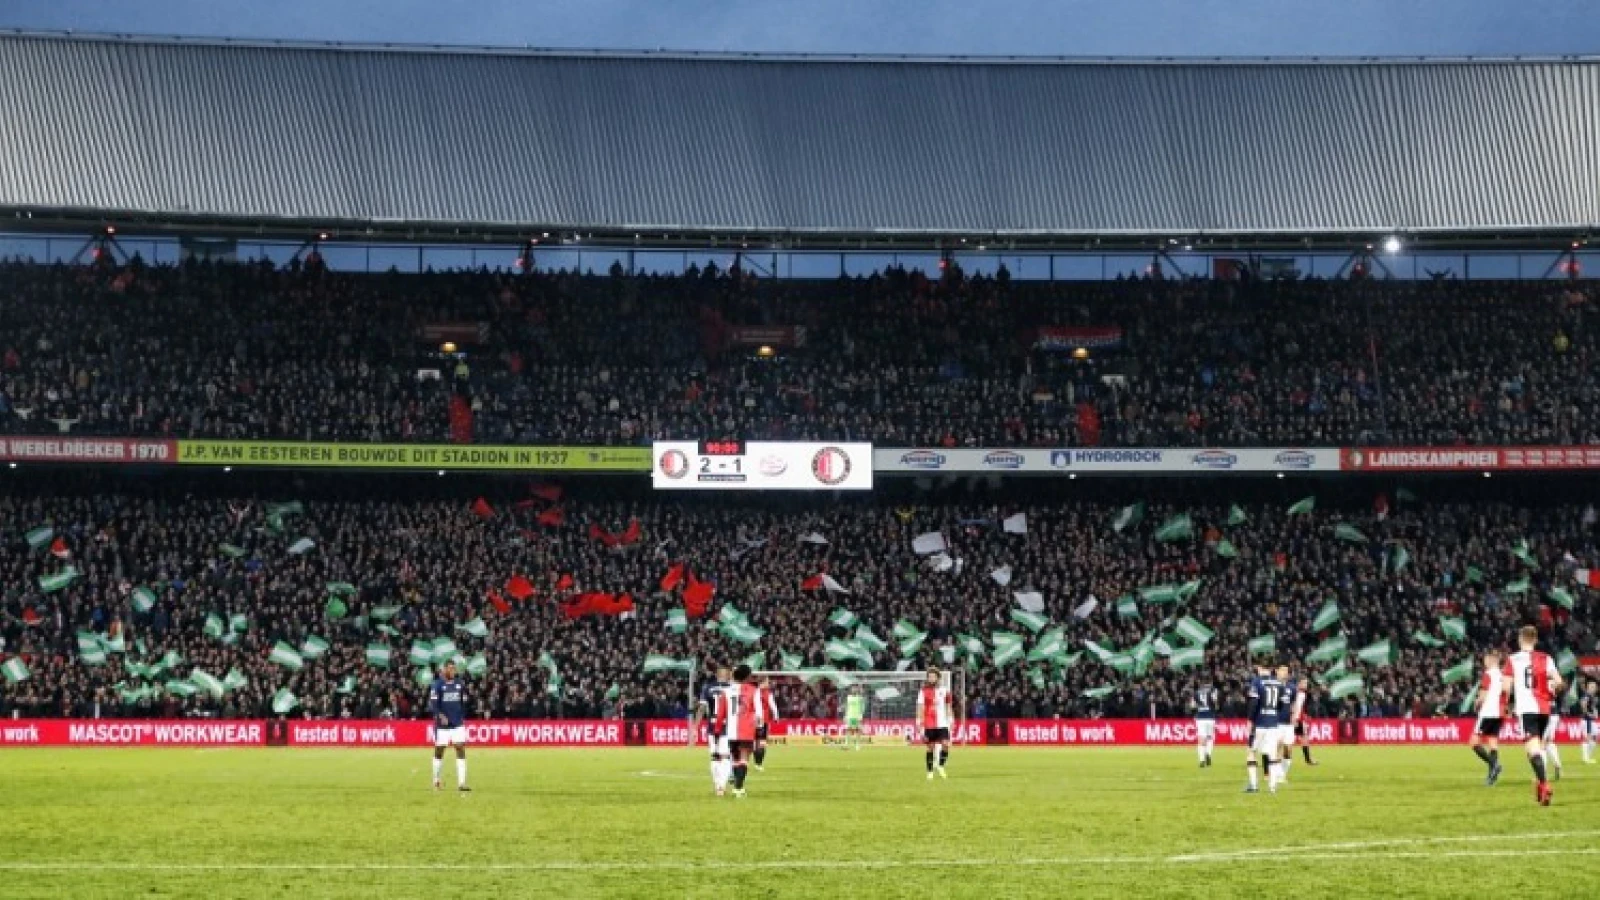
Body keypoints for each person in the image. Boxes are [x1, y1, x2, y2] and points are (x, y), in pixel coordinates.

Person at [1505, 626, 1564, 806]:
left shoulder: (1512, 659)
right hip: (1545, 710)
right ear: (1535, 640)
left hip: (1526, 709)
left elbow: (1506, 688)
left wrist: (1507, 705)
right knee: (1535, 747)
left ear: (1520, 639)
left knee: (1533, 749)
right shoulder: (1546, 658)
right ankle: (1540, 785)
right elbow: (1559, 682)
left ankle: (1544, 785)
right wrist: (1553, 689)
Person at [712, 664, 763, 799]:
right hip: (747, 730)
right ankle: (738, 788)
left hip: (731, 732)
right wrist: (760, 732)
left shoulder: (726, 692)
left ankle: (738, 788)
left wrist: (717, 731)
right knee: (744, 759)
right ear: (747, 677)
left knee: (735, 760)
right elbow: (759, 713)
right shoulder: (754, 690)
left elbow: (720, 715)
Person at [428, 659, 470, 793]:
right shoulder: (437, 685)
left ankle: (462, 783)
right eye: (450, 668)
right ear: (444, 669)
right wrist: (440, 715)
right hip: (443, 726)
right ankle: (436, 780)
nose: (453, 671)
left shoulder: (459, 684)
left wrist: (461, 716)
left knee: (460, 749)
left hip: (457, 723)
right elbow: (434, 705)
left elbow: (463, 702)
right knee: (440, 751)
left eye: (454, 668)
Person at [693, 665, 733, 796]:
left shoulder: (707, 687)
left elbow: (701, 709)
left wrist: (695, 727)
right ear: (727, 675)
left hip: (712, 726)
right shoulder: (732, 688)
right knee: (726, 757)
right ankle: (722, 785)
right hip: (727, 726)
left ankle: (717, 785)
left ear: (717, 675)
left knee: (715, 757)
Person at [1469, 650, 1506, 786]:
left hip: (1488, 712)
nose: (1484, 663)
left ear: (1492, 660)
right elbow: (1507, 692)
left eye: (1485, 660)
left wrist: (1477, 702)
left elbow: (1483, 696)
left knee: (1473, 742)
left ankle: (1494, 765)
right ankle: (1491, 776)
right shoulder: (1503, 675)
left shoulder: (1488, 675)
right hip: (1500, 713)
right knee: (1492, 743)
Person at [1245, 664, 1284, 794]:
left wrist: (1250, 720)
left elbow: (1253, 703)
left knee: (1251, 752)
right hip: (1273, 723)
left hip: (1260, 723)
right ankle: (1272, 787)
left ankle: (1254, 785)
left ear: (1260, 668)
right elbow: (1281, 704)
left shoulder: (1257, 681)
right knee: (1272, 755)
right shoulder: (1278, 683)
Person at [917, 669, 954, 781]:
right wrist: (919, 722)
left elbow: (948, 706)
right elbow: (920, 707)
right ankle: (929, 772)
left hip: (942, 723)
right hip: (929, 723)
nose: (931, 678)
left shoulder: (945, 690)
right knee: (930, 748)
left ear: (938, 678)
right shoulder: (923, 691)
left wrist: (951, 719)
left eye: (933, 676)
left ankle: (941, 765)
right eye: (930, 677)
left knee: (946, 745)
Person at [1274, 665, 1301, 784]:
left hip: (1288, 723)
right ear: (1277, 672)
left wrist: (1295, 716)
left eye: (1286, 671)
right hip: (1276, 722)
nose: (1284, 673)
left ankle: (1282, 774)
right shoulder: (1273, 686)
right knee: (1277, 748)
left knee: (1288, 750)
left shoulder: (1292, 688)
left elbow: (1294, 703)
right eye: (1282, 670)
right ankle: (1278, 775)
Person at [753, 675, 779, 771]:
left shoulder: (753, 692)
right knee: (762, 743)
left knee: (755, 743)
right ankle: (758, 764)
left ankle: (755, 763)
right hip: (763, 721)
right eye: (767, 682)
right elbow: (773, 706)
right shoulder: (768, 693)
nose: (768, 683)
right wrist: (776, 717)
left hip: (753, 720)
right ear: (763, 682)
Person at [1190, 682, 1219, 768]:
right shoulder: (1212, 691)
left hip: (1200, 718)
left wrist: (1199, 707)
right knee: (1210, 737)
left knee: (1201, 739)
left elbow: (1192, 706)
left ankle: (1202, 760)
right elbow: (1216, 703)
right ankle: (1208, 753)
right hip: (1210, 717)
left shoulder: (1196, 693)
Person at [842, 684, 866, 752]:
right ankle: (846, 745)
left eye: (855, 688)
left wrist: (861, 715)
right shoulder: (848, 697)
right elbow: (847, 707)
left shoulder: (860, 697)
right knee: (848, 730)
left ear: (857, 689)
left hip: (857, 716)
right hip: (849, 716)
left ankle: (857, 745)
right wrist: (845, 715)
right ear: (851, 689)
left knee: (857, 730)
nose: (854, 689)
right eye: (853, 688)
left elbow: (863, 706)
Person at [1581, 681, 1598, 766]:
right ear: (1588, 687)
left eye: (1595, 686)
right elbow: (1583, 704)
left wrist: (1595, 712)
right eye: (1592, 686)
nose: (1594, 688)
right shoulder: (1586, 695)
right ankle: (1585, 758)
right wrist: (1587, 713)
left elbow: (1592, 707)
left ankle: (1588, 756)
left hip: (1591, 720)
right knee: (1587, 738)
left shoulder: (1592, 696)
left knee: (1595, 737)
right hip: (1586, 719)